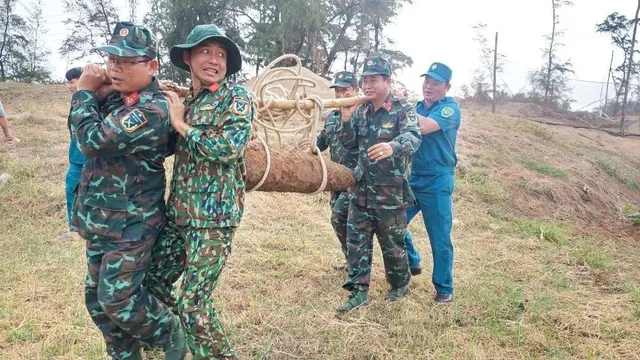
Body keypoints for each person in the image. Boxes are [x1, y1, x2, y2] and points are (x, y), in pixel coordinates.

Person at [68, 21, 186, 360]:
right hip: (101, 219)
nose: (115, 67)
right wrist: (97, 95)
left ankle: (169, 331)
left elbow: (91, 140)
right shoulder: (120, 100)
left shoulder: (152, 108)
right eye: (111, 60)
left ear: (151, 66)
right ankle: (125, 354)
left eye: (126, 61)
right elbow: (78, 128)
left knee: (118, 298)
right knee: (97, 299)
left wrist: (84, 93)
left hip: (132, 223)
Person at [145, 24, 254, 359]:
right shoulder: (187, 100)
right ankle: (177, 342)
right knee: (153, 281)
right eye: (206, 51)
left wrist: (181, 125)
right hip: (179, 214)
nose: (214, 60)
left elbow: (228, 148)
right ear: (188, 57)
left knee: (194, 303)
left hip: (213, 220)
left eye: (221, 54)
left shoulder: (236, 98)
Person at [336, 56, 422, 313]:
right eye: (365, 79)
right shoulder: (360, 109)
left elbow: (413, 137)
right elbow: (349, 144)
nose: (368, 84)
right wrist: (347, 119)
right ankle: (358, 291)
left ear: (388, 81)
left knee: (393, 245)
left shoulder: (403, 109)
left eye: (374, 79)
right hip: (360, 191)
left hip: (390, 193)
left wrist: (392, 146)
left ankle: (399, 286)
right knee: (356, 243)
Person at [403, 62, 461, 303]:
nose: (429, 86)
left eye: (436, 83)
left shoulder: (449, 110)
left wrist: (401, 106)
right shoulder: (416, 107)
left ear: (447, 86)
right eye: (426, 81)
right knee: (392, 222)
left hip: (438, 179)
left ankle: (443, 288)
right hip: (413, 175)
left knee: (439, 237)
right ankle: (413, 260)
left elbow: (424, 126)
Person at [316, 71, 360, 271]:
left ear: (356, 91)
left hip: (357, 179)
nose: (340, 95)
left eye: (345, 90)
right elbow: (322, 143)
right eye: (338, 91)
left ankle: (358, 265)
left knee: (340, 217)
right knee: (339, 222)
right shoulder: (332, 117)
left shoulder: (363, 116)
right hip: (336, 179)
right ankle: (351, 261)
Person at [57, 67, 85, 240]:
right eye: (68, 81)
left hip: (89, 159)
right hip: (77, 158)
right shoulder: (76, 101)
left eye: (72, 81)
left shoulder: (96, 100)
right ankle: (74, 229)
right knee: (72, 189)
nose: (69, 85)